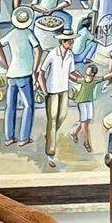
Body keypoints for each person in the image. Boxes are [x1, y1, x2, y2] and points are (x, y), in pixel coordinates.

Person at [0, 7, 42, 147]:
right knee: (28, 105)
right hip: (25, 74)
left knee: (10, 106)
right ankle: (23, 137)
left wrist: (5, 64)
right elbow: (38, 50)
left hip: (12, 74)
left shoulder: (11, 34)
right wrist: (34, 69)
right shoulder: (28, 33)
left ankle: (9, 137)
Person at [37, 25, 75, 167]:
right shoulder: (53, 53)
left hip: (64, 89)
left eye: (71, 40)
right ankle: (50, 153)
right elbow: (41, 72)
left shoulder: (70, 55)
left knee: (62, 116)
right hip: (52, 91)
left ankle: (49, 135)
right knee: (52, 120)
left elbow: (72, 73)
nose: (71, 43)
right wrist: (44, 90)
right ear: (63, 41)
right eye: (69, 40)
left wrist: (82, 79)